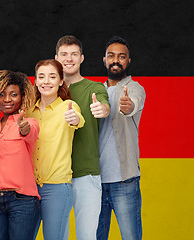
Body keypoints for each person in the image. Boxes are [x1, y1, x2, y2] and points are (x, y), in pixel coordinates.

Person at [54, 35, 110, 240]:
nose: (69, 59)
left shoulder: (94, 88)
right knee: (58, 235)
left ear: (82, 58)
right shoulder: (48, 90)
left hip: (86, 174)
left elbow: (104, 105)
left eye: (74, 54)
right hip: (55, 177)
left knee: (87, 236)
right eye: (64, 54)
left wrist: (101, 109)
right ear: (56, 58)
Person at [0, 70, 40, 240]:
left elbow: (30, 132)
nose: (7, 99)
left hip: (22, 201)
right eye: (2, 95)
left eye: (13, 94)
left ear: (22, 96)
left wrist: (24, 127)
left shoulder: (30, 123)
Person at [27, 59, 85, 240]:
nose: (46, 81)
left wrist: (74, 118)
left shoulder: (68, 107)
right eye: (41, 77)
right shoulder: (28, 111)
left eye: (52, 77)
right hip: (28, 188)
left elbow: (78, 120)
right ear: (35, 81)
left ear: (61, 81)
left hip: (57, 188)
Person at [97, 36, 145, 240]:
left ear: (128, 61)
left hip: (124, 182)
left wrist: (128, 105)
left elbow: (133, 103)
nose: (116, 60)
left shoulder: (134, 88)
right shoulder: (95, 91)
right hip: (95, 183)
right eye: (111, 56)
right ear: (104, 60)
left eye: (121, 56)